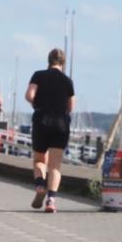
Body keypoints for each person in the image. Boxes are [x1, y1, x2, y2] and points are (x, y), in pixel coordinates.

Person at [25, 48, 75, 213]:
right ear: (63, 63)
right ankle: (51, 200)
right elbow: (70, 107)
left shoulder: (38, 75)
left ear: (49, 61)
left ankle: (40, 185)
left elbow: (29, 95)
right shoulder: (67, 81)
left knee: (39, 159)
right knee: (55, 166)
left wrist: (37, 105)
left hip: (41, 120)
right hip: (60, 124)